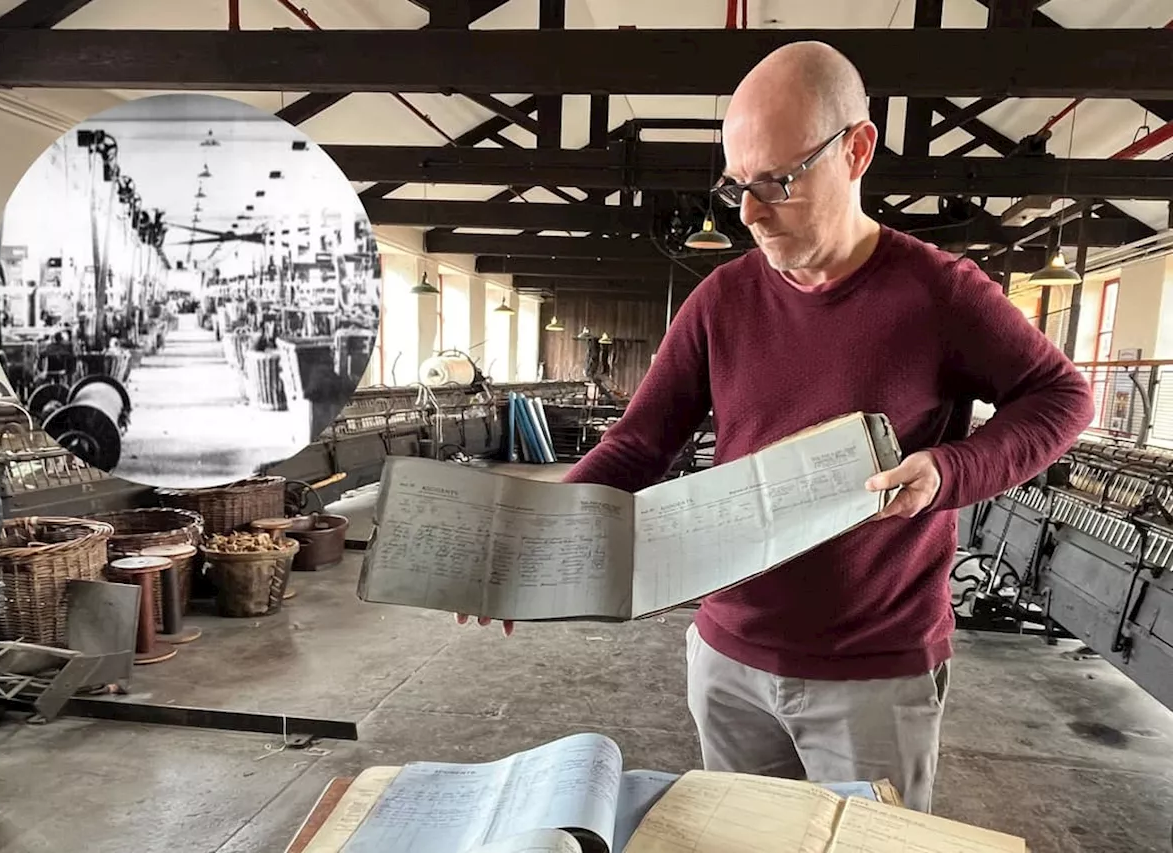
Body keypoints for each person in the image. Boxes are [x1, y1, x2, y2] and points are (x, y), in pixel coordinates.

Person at [459, 41, 1094, 813]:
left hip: (873, 675)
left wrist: (949, 471)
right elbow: (638, 441)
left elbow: (1061, 396)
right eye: (736, 186)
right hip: (728, 659)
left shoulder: (940, 295)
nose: (751, 213)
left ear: (857, 150)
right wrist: (534, 540)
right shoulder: (723, 300)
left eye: (777, 182)